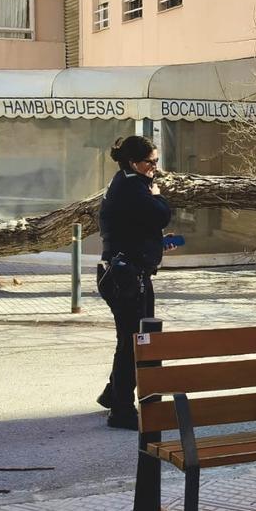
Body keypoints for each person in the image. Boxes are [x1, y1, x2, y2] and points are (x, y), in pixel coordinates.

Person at [96, 135, 173, 430]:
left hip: (126, 273)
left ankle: (113, 394)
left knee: (131, 340)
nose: (155, 167)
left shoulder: (126, 182)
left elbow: (132, 227)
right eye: (150, 162)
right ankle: (121, 410)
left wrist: (154, 244)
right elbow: (161, 215)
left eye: (156, 161)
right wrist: (157, 195)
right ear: (133, 162)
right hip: (127, 278)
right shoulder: (132, 186)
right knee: (133, 343)